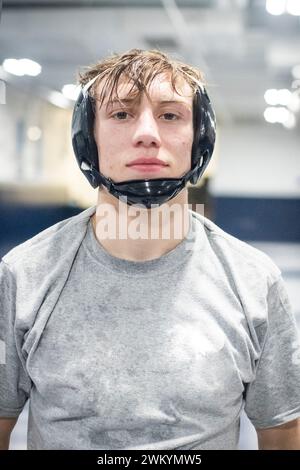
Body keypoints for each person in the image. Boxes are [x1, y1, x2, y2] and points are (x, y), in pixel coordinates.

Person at [1, 49, 300, 451]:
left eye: (170, 115)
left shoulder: (253, 280)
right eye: (121, 114)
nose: (147, 133)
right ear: (87, 139)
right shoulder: (23, 275)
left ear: (200, 138)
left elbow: (282, 433)